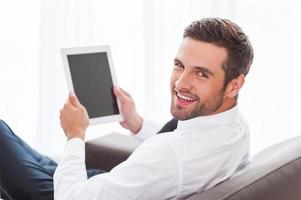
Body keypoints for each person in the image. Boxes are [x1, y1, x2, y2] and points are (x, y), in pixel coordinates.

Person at [0, 17, 253, 200]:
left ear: (235, 84)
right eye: (179, 65)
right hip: (113, 184)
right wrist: (137, 123)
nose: (180, 83)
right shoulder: (235, 127)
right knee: (36, 158)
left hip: (68, 194)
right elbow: (181, 155)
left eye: (201, 74)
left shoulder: (171, 155)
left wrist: (75, 135)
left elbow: (71, 197)